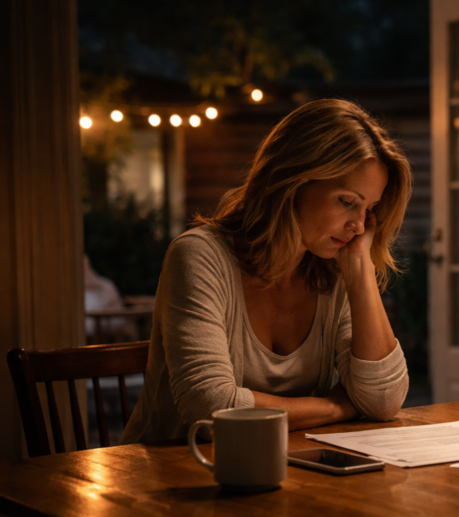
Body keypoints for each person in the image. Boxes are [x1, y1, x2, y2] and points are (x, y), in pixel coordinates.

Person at [122, 99, 412, 444]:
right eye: (347, 202)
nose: (359, 225)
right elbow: (211, 406)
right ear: (291, 182)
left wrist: (360, 267)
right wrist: (338, 407)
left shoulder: (334, 267)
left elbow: (383, 401)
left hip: (289, 471)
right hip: (171, 478)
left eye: (370, 208)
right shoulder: (200, 256)